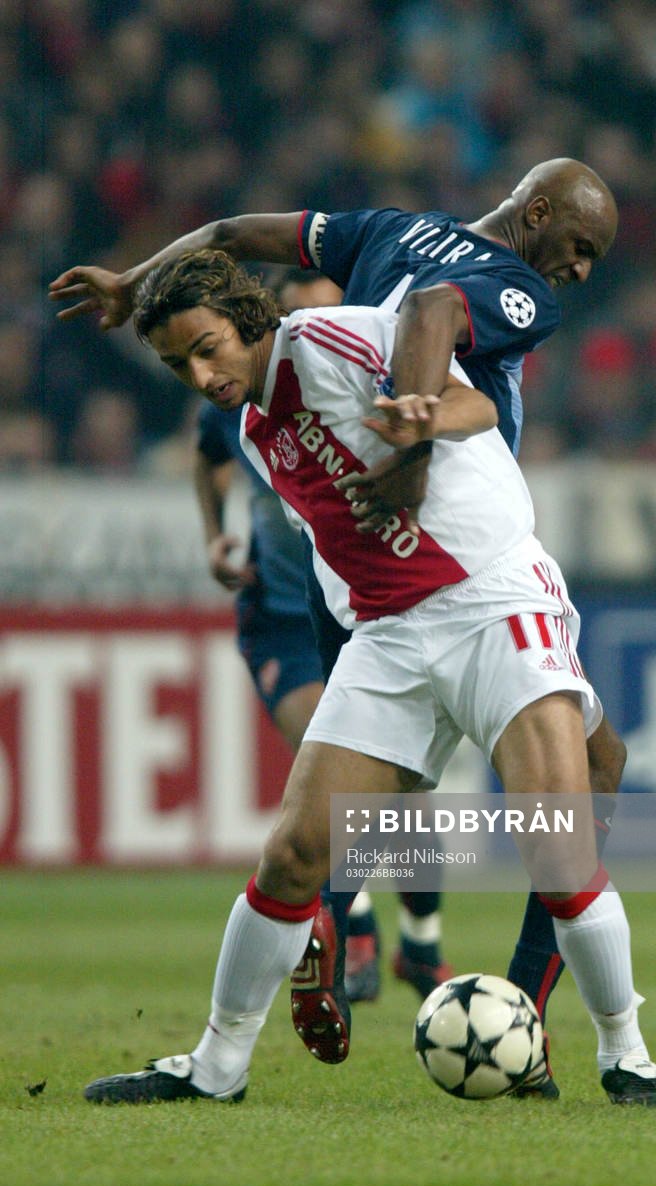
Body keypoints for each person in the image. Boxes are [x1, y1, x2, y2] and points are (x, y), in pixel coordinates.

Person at [50, 158, 630, 1095]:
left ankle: (591, 1038)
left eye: (206, 351)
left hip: (456, 575)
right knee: (323, 839)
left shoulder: (363, 275)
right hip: (401, 594)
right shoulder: (268, 418)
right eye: (578, 248)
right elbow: (415, 316)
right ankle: (255, 1026)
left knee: (557, 813)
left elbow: (247, 236)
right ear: (535, 216)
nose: (579, 271)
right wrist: (407, 440)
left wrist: (414, 446)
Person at [197, 264, 454, 1003]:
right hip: (283, 618)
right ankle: (356, 925)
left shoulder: (361, 376)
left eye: (329, 311)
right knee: (341, 784)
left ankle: (421, 942)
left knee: (406, 799)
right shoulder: (236, 397)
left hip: (365, 612)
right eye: (301, 314)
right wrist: (214, 534)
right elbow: (208, 458)